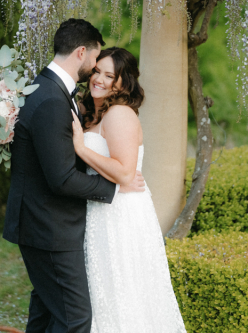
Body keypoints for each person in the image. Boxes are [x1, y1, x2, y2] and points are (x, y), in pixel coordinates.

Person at [3, 19, 146, 333]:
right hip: (50, 227)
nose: (95, 70)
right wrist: (114, 188)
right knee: (74, 319)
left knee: (47, 313)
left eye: (109, 74)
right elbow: (62, 178)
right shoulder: (54, 99)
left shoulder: (52, 90)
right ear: (82, 52)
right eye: (96, 62)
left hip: (54, 224)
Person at [71, 47, 187, 333]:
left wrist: (79, 147)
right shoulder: (90, 112)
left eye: (110, 76)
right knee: (102, 292)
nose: (99, 79)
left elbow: (124, 173)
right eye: (97, 71)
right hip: (100, 208)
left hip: (121, 214)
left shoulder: (120, 114)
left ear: (123, 83)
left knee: (123, 291)